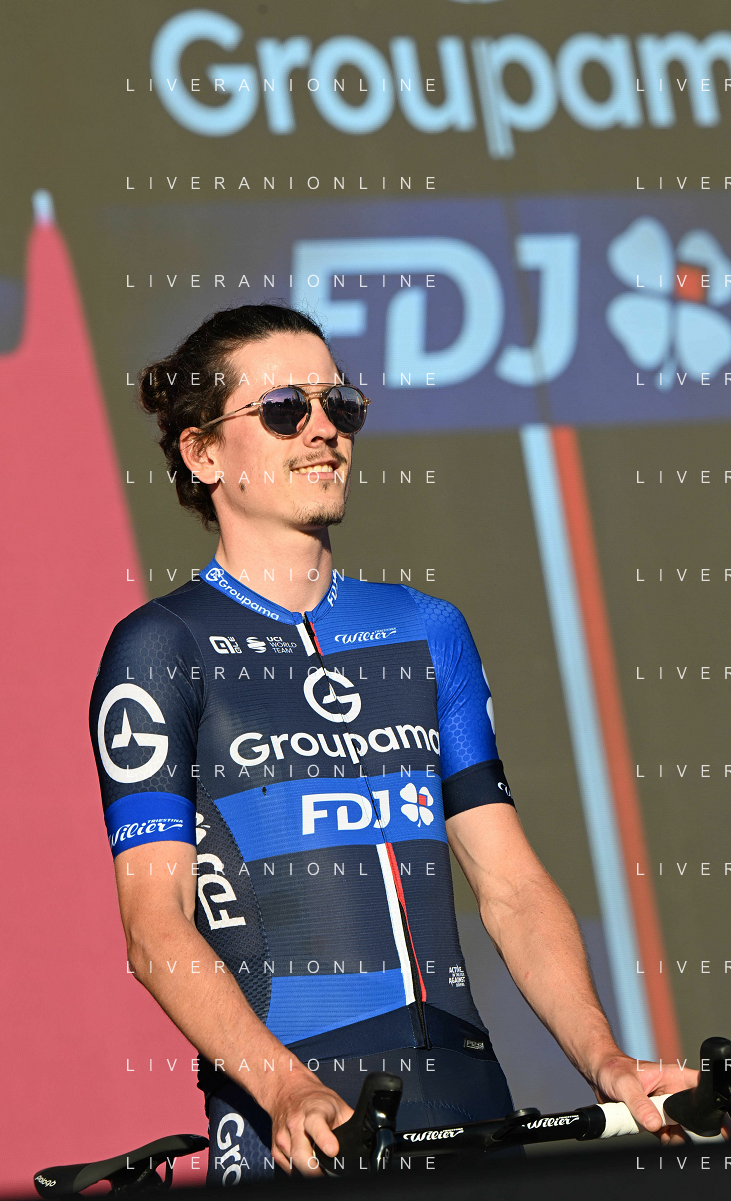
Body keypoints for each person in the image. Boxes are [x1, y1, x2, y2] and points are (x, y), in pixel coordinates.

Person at [89, 303, 695, 1185]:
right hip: (299, 1109)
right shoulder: (160, 647)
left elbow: (511, 886)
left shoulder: (426, 626)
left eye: (339, 404)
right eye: (285, 409)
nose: (323, 429)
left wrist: (608, 1062)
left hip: (466, 1089)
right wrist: (283, 1086)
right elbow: (155, 928)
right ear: (203, 452)